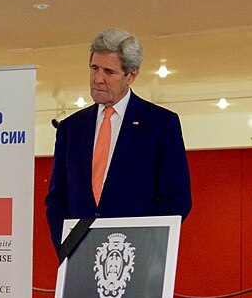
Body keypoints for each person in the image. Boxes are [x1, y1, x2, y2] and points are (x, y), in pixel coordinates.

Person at [45, 27, 191, 254]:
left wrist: (138, 245)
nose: (98, 79)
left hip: (137, 257)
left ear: (131, 75)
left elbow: (176, 199)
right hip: (79, 256)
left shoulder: (160, 124)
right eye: (94, 68)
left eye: (109, 72)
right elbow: (57, 197)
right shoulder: (70, 128)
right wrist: (66, 245)